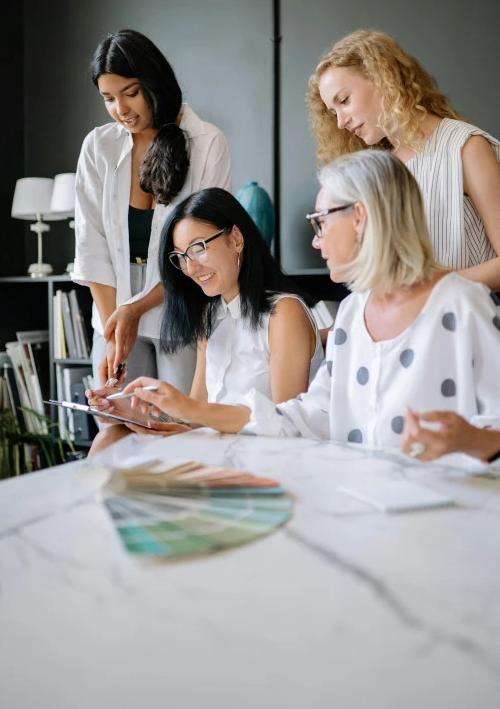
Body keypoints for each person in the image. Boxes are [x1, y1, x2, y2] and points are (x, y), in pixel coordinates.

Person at [117, 151, 500, 463]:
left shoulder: (462, 304)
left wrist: (466, 439)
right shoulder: (351, 315)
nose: (315, 243)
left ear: (360, 218)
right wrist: (185, 409)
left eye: (320, 223)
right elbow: (302, 416)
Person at [87, 188, 323, 454]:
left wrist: (189, 411)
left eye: (197, 248)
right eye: (181, 257)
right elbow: (194, 421)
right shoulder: (210, 317)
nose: (190, 268)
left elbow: (285, 427)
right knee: (109, 439)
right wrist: (127, 409)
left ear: (235, 239)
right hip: (215, 451)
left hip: (263, 457)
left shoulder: (284, 313)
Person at [73, 29, 232, 395]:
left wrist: (136, 309)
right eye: (109, 98)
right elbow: (91, 247)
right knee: (115, 424)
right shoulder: (98, 147)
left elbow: (203, 249)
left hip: (180, 308)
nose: (121, 110)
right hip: (114, 307)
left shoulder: (206, 143)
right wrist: (113, 328)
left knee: (179, 429)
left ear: (154, 83)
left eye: (130, 93)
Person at [307, 29, 500, 291]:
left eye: (344, 100)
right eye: (333, 113)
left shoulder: (466, 148)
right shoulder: (382, 169)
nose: (341, 122)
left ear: (381, 77)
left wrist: (424, 290)